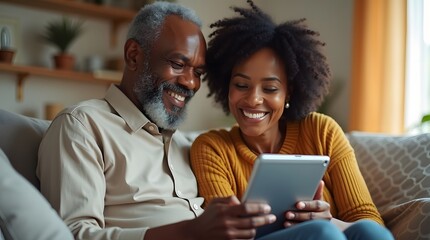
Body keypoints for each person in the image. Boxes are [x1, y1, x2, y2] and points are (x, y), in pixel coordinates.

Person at [37, 2, 281, 240]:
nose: (191, 83)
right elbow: (73, 233)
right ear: (133, 55)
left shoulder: (187, 144)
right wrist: (189, 233)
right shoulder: (83, 126)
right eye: (177, 64)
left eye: (198, 73)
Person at [190, 1, 394, 239]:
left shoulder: (321, 131)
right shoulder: (211, 148)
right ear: (227, 86)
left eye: (270, 88)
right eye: (241, 85)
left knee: (368, 231)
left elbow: (368, 218)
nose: (254, 99)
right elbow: (225, 233)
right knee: (320, 233)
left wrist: (330, 220)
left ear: (289, 93)